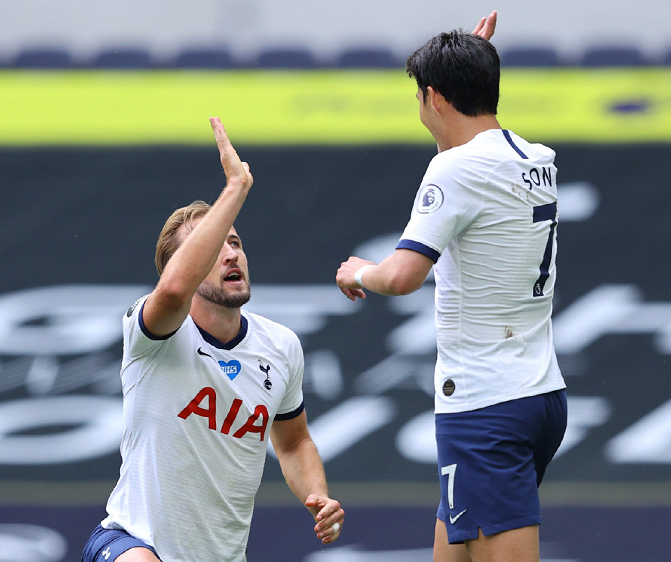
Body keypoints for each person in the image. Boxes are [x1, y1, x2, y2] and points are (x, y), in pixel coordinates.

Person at [336, 12, 567, 562]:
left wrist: (357, 272)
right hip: (539, 395)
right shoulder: (536, 159)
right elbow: (467, 167)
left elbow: (402, 276)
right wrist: (469, 62)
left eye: (421, 96)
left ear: (434, 98)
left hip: (484, 406)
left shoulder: (456, 171)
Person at [82, 117, 344, 562]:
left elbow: (293, 442)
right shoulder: (151, 333)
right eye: (215, 244)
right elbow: (172, 292)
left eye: (235, 242)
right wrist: (235, 189)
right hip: (130, 541)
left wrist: (318, 497)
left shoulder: (280, 346)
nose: (231, 253)